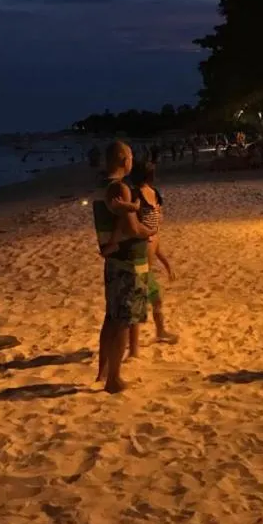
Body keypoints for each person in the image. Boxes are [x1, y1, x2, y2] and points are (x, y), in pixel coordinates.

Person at [93, 141, 157, 393]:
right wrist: (149, 230)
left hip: (114, 261)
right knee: (123, 320)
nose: (132, 160)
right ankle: (114, 379)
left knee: (111, 317)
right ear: (122, 159)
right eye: (130, 156)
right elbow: (131, 226)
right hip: (129, 261)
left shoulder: (101, 187)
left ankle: (103, 371)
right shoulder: (120, 187)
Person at [129, 161, 179, 345]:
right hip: (137, 260)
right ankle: (132, 347)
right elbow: (132, 224)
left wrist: (167, 265)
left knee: (156, 299)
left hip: (146, 267)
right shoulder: (136, 195)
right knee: (136, 306)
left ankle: (160, 332)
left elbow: (156, 246)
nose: (157, 210)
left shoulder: (155, 194)